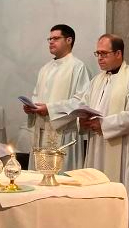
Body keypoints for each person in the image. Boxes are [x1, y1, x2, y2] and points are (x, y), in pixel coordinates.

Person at [71, 33, 129, 228]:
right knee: (96, 199)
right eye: (98, 53)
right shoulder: (96, 81)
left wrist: (104, 124)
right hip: (96, 148)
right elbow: (82, 105)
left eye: (104, 53)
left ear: (118, 54)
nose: (99, 58)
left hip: (122, 148)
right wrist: (82, 122)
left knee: (121, 198)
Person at [21, 24, 91, 171]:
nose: (51, 42)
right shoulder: (45, 68)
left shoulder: (78, 67)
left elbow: (82, 102)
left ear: (69, 40)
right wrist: (32, 107)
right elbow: (36, 96)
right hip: (41, 132)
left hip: (64, 134)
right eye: (50, 39)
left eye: (56, 38)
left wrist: (50, 109)